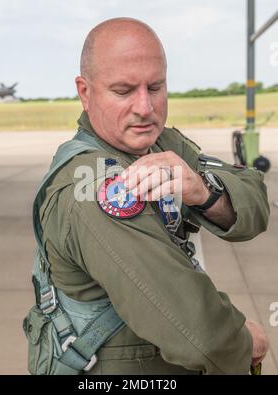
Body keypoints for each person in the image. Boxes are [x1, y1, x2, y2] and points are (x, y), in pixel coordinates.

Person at [23, 17, 269, 375]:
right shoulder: (93, 187)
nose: (145, 108)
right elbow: (200, 335)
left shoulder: (163, 145)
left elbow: (254, 199)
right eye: (123, 91)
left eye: (155, 87)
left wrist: (203, 192)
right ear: (85, 92)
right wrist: (246, 343)